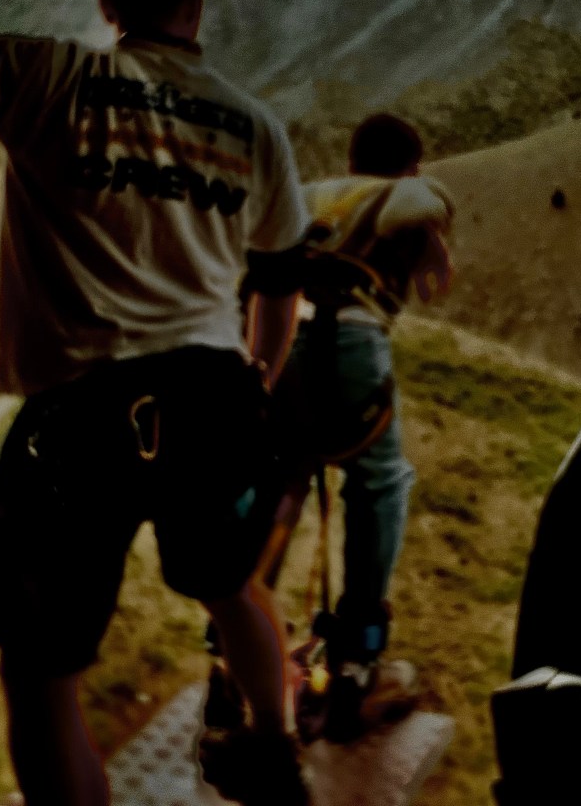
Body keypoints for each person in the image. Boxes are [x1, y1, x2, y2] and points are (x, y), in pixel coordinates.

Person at [0, 0, 310, 806]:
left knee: (41, 671)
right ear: (198, 3)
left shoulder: (50, 80)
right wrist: (259, 377)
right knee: (232, 586)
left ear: (107, 4)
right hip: (211, 394)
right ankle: (273, 749)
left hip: (79, 414)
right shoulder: (254, 126)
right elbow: (278, 284)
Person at [202, 113, 454, 744]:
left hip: (276, 337)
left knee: (278, 483)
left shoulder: (312, 194)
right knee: (379, 484)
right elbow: (424, 205)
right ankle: (357, 659)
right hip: (349, 341)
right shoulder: (398, 192)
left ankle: (231, 653)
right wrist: (432, 228)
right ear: (411, 164)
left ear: (351, 158)